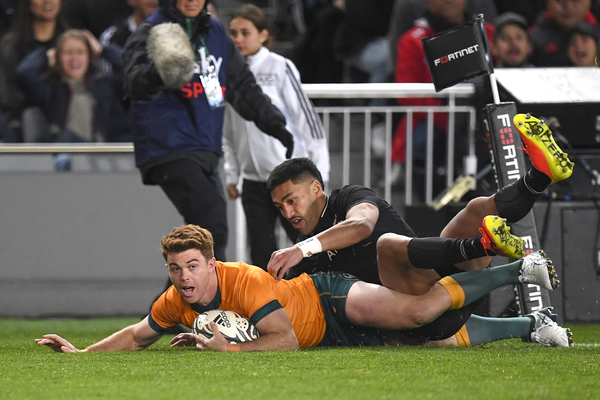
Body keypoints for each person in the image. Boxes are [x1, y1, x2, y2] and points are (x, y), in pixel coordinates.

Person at [266, 113, 573, 345]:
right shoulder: (302, 255)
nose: (288, 212)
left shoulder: (345, 201)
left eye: (291, 200)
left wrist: (302, 248)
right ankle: (495, 252)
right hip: (418, 311)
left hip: (443, 285)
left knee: (476, 209)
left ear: (316, 188)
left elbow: (361, 225)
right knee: (388, 248)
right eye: (280, 207)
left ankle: (539, 178)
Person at [35, 224, 570, 353]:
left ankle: (518, 269)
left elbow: (284, 339)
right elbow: (137, 334)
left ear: (212, 262)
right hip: (329, 339)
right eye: (176, 269)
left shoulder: (241, 279)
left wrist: (227, 350)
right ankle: (533, 327)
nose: (184, 278)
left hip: (328, 298)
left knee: (419, 314)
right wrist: (82, 354)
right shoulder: (176, 298)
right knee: (431, 339)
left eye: (193, 266)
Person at [122, 0, 295, 263]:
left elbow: (242, 87)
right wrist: (160, 73)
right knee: (211, 228)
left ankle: (178, 304)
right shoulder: (152, 30)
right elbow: (132, 83)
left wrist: (274, 123)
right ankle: (182, 303)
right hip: (168, 146)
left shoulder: (214, 32)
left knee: (208, 238)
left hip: (205, 147)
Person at [223, 4, 330, 270]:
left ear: (263, 34)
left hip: (288, 180)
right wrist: (231, 172)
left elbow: (307, 119)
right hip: (252, 181)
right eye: (233, 33)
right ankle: (269, 309)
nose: (238, 39)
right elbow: (227, 130)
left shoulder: (280, 67)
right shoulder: (227, 73)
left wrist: (320, 173)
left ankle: (316, 302)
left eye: (245, 32)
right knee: (261, 251)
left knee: (306, 244)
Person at [390, 0, 495, 196]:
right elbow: (406, 92)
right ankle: (425, 208)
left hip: (482, 117)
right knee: (420, 144)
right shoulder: (412, 40)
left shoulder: (487, 33)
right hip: (433, 118)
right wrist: (449, 119)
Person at [15, 29, 130, 144]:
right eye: (68, 52)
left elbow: (128, 70)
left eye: (80, 52)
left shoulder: (105, 84)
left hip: (106, 155)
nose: (74, 59)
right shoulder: (49, 88)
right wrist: (45, 55)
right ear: (58, 57)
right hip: (66, 154)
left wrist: (103, 50)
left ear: (89, 56)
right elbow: (24, 72)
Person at [0, 0, 67, 141]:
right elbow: (8, 97)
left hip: (69, 123)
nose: (48, 1)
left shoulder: (72, 44)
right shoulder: (10, 47)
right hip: (23, 126)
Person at [528, 0, 597, 66]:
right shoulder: (532, 40)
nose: (568, 6)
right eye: (560, 1)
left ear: (589, 2)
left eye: (576, 0)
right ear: (548, 3)